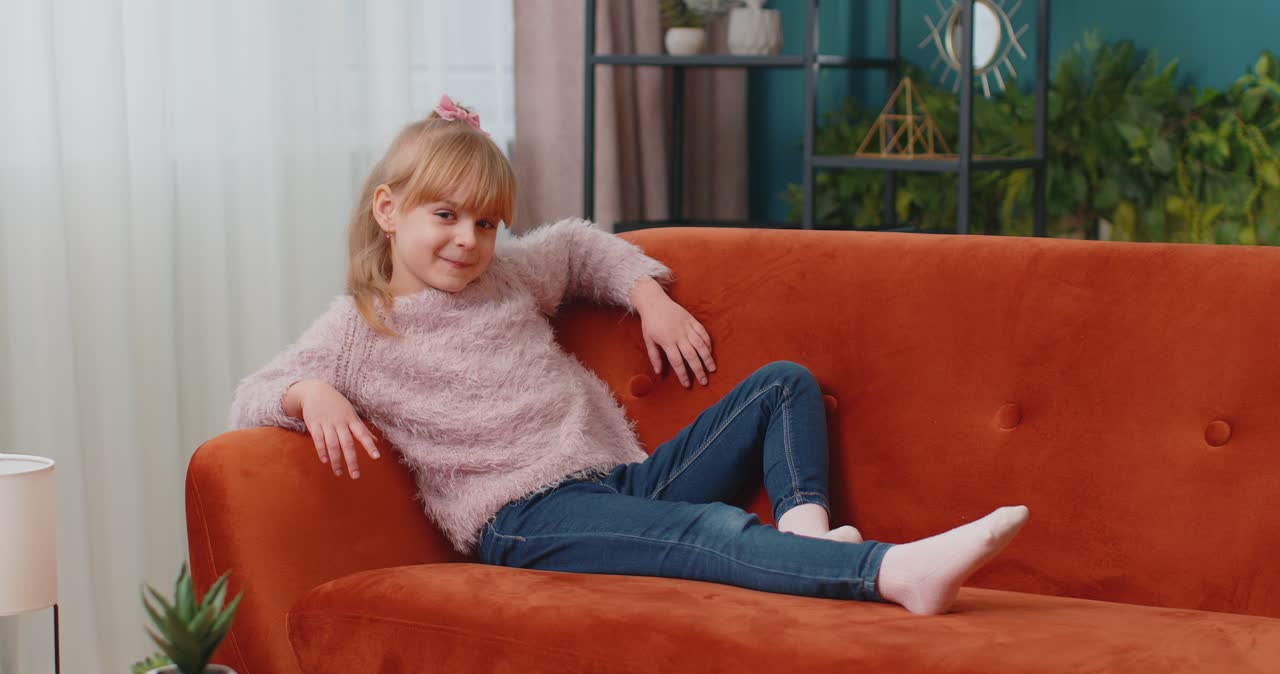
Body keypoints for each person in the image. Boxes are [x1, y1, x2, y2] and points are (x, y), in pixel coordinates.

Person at [231, 95, 1029, 615]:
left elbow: (578, 246)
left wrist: (647, 294)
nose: (468, 240)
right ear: (388, 211)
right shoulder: (361, 328)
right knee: (702, 530)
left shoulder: (509, 277)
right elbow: (254, 393)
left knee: (785, 386)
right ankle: (890, 574)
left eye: (485, 223)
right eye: (446, 216)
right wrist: (312, 393)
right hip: (524, 517)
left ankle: (810, 535)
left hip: (619, 478)